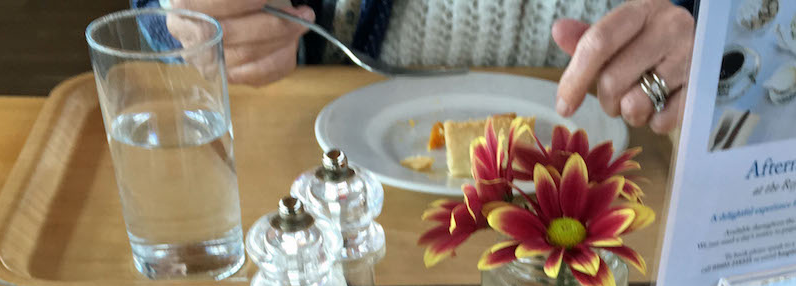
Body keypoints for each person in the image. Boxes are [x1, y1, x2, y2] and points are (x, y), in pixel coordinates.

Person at [135, 0, 693, 133]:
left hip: (628, 175)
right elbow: (159, 16)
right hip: (324, 175)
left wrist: (720, 47)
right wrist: (191, 23)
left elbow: (761, 33)